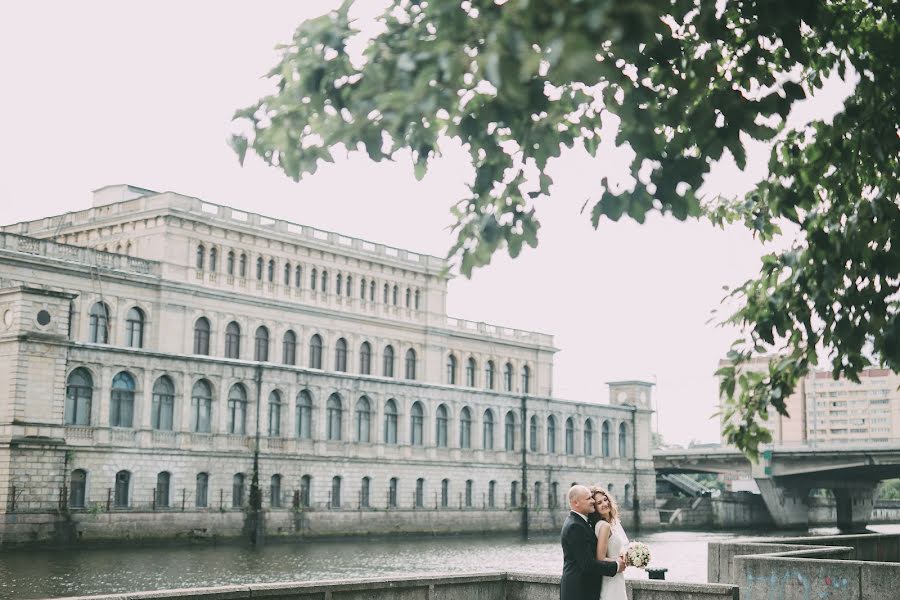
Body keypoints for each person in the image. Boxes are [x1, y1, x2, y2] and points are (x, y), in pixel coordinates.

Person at [560, 484, 626, 600]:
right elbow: (587, 563)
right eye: (589, 498)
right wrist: (616, 566)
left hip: (585, 590)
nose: (592, 501)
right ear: (576, 503)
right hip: (579, 592)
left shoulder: (582, 522)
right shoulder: (575, 526)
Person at [587, 486, 629, 600]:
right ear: (595, 508)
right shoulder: (604, 526)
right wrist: (620, 562)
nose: (604, 504)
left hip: (616, 575)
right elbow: (600, 558)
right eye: (599, 503)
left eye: (605, 499)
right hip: (611, 577)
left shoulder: (609, 524)